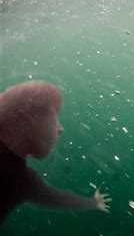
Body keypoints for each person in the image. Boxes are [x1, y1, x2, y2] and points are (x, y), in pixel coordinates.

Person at [0, 81, 111, 223]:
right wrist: (94, 202)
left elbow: (58, 199)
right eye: (56, 116)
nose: (60, 129)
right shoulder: (23, 181)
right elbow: (57, 199)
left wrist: (92, 203)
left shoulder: (24, 181)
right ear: (30, 118)